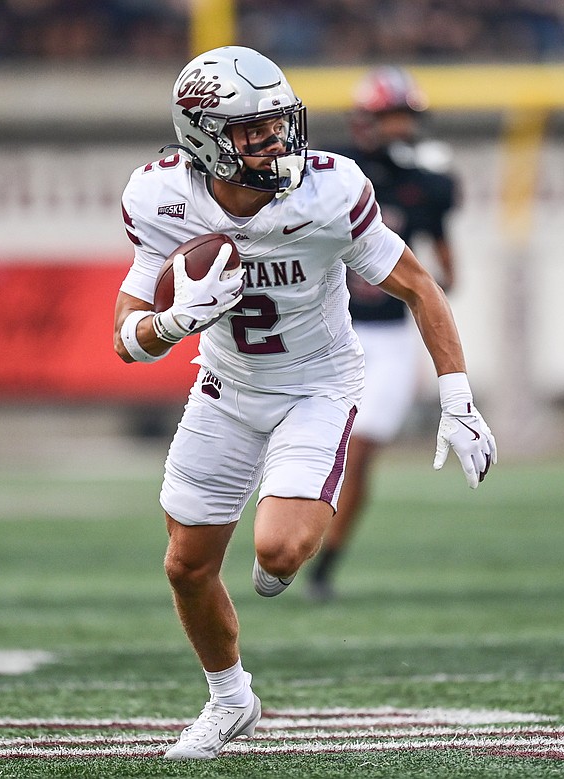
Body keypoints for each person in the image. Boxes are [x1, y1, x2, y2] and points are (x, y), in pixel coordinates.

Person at [112, 46, 496, 760]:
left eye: (278, 123)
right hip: (224, 386)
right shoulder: (160, 197)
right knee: (186, 566)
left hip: (315, 384)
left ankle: (287, 556)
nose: (275, 141)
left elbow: (420, 285)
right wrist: (174, 322)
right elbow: (127, 341)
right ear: (204, 138)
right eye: (252, 131)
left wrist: (458, 398)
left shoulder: (329, 189)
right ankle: (230, 700)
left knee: (278, 551)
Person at [305, 66, 458, 602]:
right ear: (366, 120)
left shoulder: (426, 184)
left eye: (406, 117)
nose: (402, 128)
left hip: (389, 337)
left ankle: (325, 564)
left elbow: (448, 271)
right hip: (328, 331)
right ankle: (294, 539)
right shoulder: (331, 174)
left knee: (361, 448)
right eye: (392, 116)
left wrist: (413, 278)